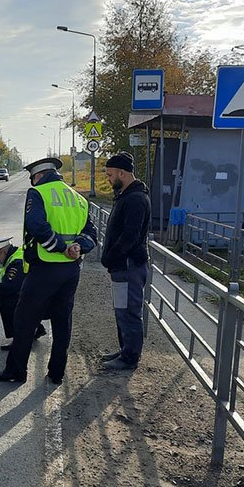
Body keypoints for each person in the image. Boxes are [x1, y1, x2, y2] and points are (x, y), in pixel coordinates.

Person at [0, 157, 98, 384]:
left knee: (24, 319)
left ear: (38, 176)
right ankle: (56, 373)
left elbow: (37, 226)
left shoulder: (38, 193)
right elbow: (91, 234)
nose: (33, 182)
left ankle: (16, 372)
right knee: (62, 320)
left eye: (32, 178)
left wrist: (60, 247)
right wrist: (77, 247)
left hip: (44, 269)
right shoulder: (78, 198)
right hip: (71, 270)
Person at [100, 152, 152, 371]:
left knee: (129, 311)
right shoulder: (126, 195)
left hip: (129, 265)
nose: (108, 179)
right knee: (121, 309)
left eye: (111, 175)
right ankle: (125, 350)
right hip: (123, 266)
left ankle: (130, 358)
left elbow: (130, 236)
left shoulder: (135, 199)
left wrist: (112, 256)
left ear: (122, 173)